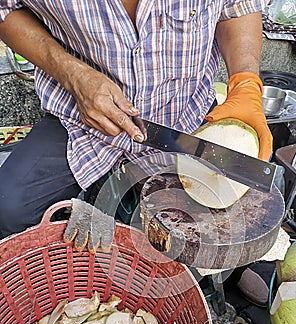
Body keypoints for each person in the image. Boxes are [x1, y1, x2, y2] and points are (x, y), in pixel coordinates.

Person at [0, 0, 272, 242]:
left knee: (223, 230)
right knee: (8, 209)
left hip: (187, 117)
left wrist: (245, 81)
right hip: (79, 119)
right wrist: (72, 74)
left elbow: (238, 7)